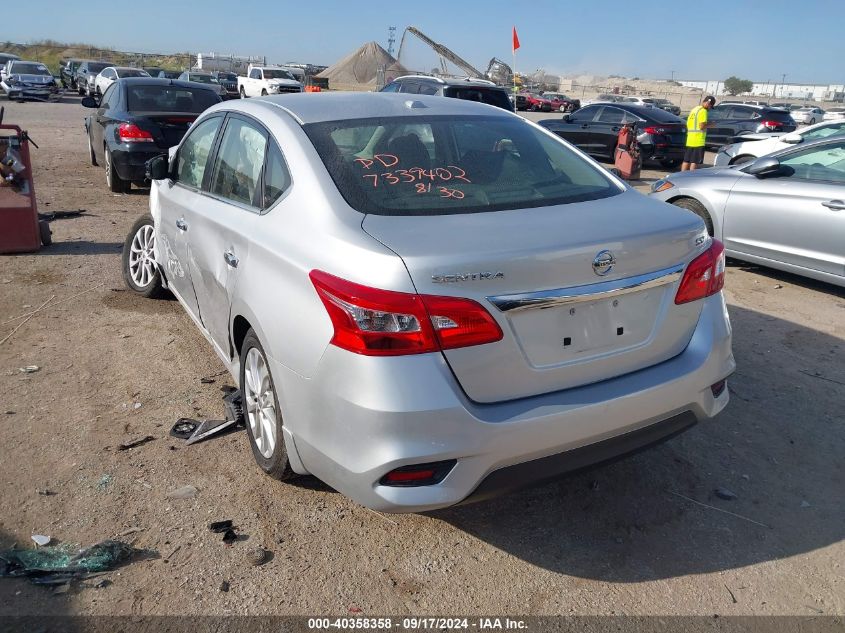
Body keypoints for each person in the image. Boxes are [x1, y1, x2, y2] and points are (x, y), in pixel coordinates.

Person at [682, 95, 716, 171]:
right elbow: (701, 126)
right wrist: (711, 124)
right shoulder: (703, 111)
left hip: (690, 139)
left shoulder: (694, 109)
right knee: (694, 161)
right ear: (709, 103)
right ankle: (691, 178)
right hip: (698, 140)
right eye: (711, 106)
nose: (710, 108)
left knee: (686, 160)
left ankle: (681, 176)